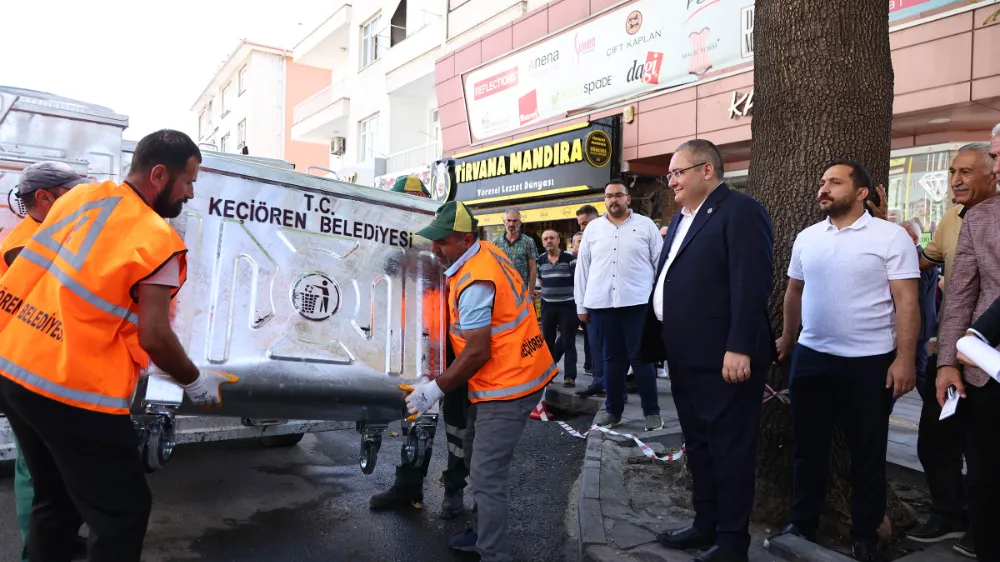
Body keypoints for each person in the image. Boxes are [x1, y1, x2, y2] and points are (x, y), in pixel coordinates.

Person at [0, 130, 235, 562]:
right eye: (188, 182)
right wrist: (195, 381)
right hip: (72, 390)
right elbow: (155, 335)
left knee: (56, 500)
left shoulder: (79, 199)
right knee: (123, 512)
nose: (190, 194)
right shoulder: (156, 240)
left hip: (14, 370)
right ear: (160, 175)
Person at [772, 161, 920, 562]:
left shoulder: (891, 237)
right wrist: (788, 337)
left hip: (870, 364)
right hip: (812, 359)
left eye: (834, 182)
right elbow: (794, 291)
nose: (824, 189)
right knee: (808, 448)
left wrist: (905, 359)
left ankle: (865, 535)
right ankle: (801, 524)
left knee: (868, 453)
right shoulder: (807, 237)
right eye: (822, 182)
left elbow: (907, 301)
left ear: (861, 193)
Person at [400, 201, 557, 562]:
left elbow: (476, 352)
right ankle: (483, 531)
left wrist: (434, 389)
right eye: (434, 241)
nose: (435, 249)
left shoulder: (474, 280)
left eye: (443, 242)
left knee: (487, 475)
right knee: (473, 450)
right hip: (513, 373)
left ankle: (493, 553)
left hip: (509, 384)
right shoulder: (483, 252)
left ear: (466, 239)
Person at [643, 139, 773, 562]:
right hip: (684, 357)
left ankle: (733, 542)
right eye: (670, 175)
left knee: (730, 450)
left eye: (678, 172)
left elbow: (750, 284)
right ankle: (706, 525)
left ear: (707, 171)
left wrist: (739, 347)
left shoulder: (740, 211)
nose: (672, 181)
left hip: (725, 360)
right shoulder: (682, 219)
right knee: (699, 446)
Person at [902, 142, 996, 557]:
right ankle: (957, 518)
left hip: (975, 348)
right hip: (968, 360)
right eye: (952, 171)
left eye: (966, 172)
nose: (955, 180)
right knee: (952, 449)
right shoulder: (964, 218)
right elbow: (955, 290)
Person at [1, 162, 91, 562]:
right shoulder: (25, 245)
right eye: (72, 193)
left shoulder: (42, 234)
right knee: (35, 469)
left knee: (53, 467)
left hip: (41, 367)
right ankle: (33, 551)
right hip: (25, 370)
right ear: (44, 198)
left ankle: (57, 542)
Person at [370, 175, 469, 519]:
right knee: (418, 418)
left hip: (454, 348)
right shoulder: (397, 251)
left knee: (458, 423)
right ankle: (408, 485)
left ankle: (455, 489)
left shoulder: (441, 244)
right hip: (417, 346)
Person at [935, 126, 1000, 562]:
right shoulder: (980, 218)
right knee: (986, 478)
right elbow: (960, 295)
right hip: (984, 371)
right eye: (997, 154)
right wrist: (946, 363)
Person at [576, 180, 663, 431]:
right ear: (604, 200)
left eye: (618, 195)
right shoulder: (593, 229)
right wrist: (581, 306)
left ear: (628, 199)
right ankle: (613, 411)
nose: (613, 200)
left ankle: (652, 413)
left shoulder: (645, 226)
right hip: (602, 305)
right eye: (608, 196)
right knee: (611, 361)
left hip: (638, 304)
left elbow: (660, 264)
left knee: (642, 359)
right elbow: (583, 269)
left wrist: (660, 303)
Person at [537, 229, 578, 387]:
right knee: (547, 342)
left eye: (551, 238)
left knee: (568, 341)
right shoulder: (540, 260)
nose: (549, 241)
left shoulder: (569, 259)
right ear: (543, 242)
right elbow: (541, 280)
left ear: (558, 240)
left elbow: (577, 281)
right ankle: (548, 375)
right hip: (547, 306)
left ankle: (569, 377)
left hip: (567, 305)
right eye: (545, 239)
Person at [575, 205, 603, 391]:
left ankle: (617, 386)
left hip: (612, 302)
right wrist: (581, 306)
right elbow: (582, 274)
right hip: (592, 302)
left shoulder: (606, 238)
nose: (583, 228)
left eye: (585, 223)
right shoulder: (586, 242)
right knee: (595, 346)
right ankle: (599, 380)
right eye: (580, 224)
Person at [490, 210, 538, 294]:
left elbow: (533, 268)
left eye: (515, 221)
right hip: (501, 290)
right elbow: (493, 267)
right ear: (504, 222)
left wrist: (530, 292)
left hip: (521, 292)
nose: (511, 224)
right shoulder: (496, 242)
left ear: (520, 223)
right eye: (509, 220)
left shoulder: (528, 241)